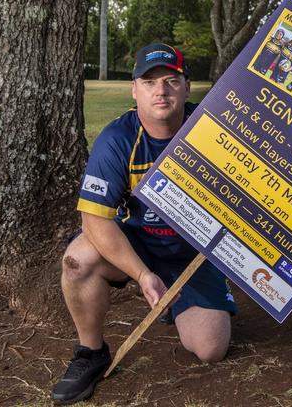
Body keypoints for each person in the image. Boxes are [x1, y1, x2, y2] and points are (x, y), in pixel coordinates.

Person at [52, 44, 237, 405]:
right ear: (134, 89)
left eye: (171, 81)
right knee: (78, 261)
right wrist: (140, 274)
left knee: (210, 349)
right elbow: (94, 220)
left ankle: (187, 296)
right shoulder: (117, 139)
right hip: (135, 242)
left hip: (191, 254)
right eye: (149, 82)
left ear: (187, 86)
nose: (161, 90)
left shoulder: (213, 132)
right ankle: (90, 352)